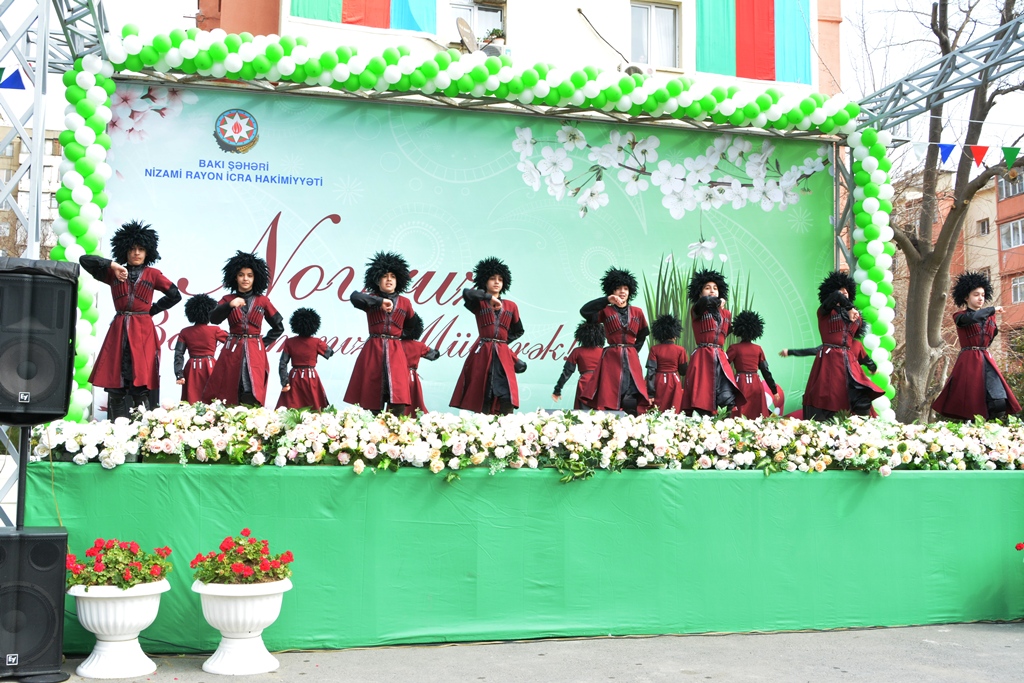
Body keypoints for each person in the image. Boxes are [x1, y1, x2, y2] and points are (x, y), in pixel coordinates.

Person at [79, 220, 181, 419]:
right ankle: (116, 428)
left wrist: (151, 311)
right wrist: (113, 265)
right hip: (118, 331)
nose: (136, 253)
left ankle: (142, 428)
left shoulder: (153, 274)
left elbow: (175, 295)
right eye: (132, 249)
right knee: (115, 386)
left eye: (141, 249)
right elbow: (84, 260)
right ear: (124, 250)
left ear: (148, 252)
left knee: (140, 387)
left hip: (143, 331)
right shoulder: (113, 273)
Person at [932, 271, 1021, 420]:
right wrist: (992, 309)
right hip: (969, 360)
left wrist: (991, 313)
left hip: (986, 358)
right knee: (971, 403)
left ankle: (988, 428)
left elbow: (990, 337)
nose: (980, 298)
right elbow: (972, 318)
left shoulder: (990, 317)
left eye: (983, 295)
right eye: (976, 295)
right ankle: (972, 428)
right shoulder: (959, 316)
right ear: (966, 297)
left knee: (999, 402)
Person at [203, 251, 284, 407]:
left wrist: (261, 343)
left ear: (255, 278)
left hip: (255, 351)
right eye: (241, 275)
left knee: (252, 389)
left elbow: (278, 327)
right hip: (232, 350)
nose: (245, 279)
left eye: (249, 275)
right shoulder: (227, 299)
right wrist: (229, 305)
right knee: (229, 386)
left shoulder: (263, 301)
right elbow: (213, 318)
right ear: (235, 277)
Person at [800, 270, 883, 420]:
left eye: (847, 290)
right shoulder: (824, 312)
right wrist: (850, 307)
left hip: (849, 360)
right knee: (827, 399)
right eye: (840, 289)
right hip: (829, 359)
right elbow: (836, 297)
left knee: (862, 400)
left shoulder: (856, 316)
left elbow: (856, 345)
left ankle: (861, 429)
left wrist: (871, 365)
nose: (844, 292)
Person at [450, 257, 525, 415]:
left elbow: (519, 330)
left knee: (507, 395)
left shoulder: (511, 306)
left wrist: (501, 342)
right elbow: (467, 293)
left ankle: (508, 425)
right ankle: (484, 426)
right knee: (484, 393)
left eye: (500, 279)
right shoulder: (479, 303)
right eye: (492, 278)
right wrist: (489, 297)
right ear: (484, 281)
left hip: (503, 354)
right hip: (483, 353)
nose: (497, 282)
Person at [344, 252, 415, 413]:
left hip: (396, 351)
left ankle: (394, 428)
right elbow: (354, 297)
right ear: (377, 280)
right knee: (371, 397)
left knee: (398, 399)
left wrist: (398, 338)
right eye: (384, 276)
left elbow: (412, 325)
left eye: (393, 276)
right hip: (373, 350)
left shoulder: (405, 302)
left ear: (398, 280)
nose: (389, 279)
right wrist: (380, 301)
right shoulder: (371, 299)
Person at [579, 268, 650, 415]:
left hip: (631, 356)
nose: (622, 291)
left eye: (625, 288)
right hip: (611, 357)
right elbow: (584, 311)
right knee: (610, 394)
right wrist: (606, 300)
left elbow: (643, 333)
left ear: (630, 291)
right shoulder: (605, 310)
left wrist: (633, 350)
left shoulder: (637, 311)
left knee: (633, 393)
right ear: (612, 291)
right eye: (618, 288)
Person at [680, 269, 743, 416]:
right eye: (707, 288)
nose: (712, 291)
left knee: (727, 399)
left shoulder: (726, 313)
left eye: (715, 288)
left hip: (720, 358)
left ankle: (724, 428)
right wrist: (717, 302)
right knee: (701, 401)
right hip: (702, 357)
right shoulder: (697, 309)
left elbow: (727, 331)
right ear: (700, 292)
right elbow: (705, 302)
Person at [173, 293, 227, 404]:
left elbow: (179, 353)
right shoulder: (215, 330)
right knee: (213, 400)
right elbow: (232, 342)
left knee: (191, 400)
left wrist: (179, 374)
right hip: (210, 365)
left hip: (192, 368)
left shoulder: (185, 332)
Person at [277, 308, 334, 410]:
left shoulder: (289, 342)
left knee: (291, 406)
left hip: (294, 377)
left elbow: (283, 363)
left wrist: (285, 382)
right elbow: (330, 353)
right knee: (315, 405)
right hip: (311, 376)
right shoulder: (317, 342)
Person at [726, 310, 778, 419]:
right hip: (756, 384)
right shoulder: (758, 349)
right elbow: (765, 371)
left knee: (740, 415)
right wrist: (774, 390)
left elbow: (724, 366)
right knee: (757, 415)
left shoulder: (734, 348)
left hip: (740, 383)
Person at [552, 321, 605, 410]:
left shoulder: (577, 351)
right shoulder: (604, 352)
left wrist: (557, 390)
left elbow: (567, 372)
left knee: (583, 415)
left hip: (584, 385)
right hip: (601, 384)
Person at [644, 314, 688, 413]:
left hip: (659, 381)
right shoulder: (680, 350)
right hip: (674, 380)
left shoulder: (654, 349)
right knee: (675, 410)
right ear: (675, 335)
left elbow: (651, 372)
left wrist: (650, 394)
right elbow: (683, 371)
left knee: (659, 410)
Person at [400, 313, 440, 416]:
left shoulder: (395, 344)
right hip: (412, 377)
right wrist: (437, 351)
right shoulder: (419, 346)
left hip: (397, 377)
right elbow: (434, 356)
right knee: (416, 403)